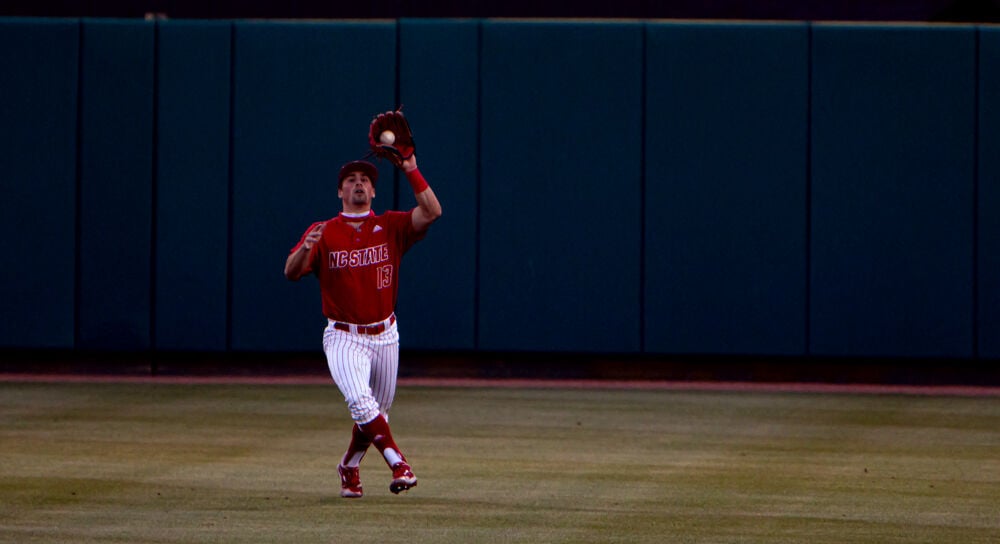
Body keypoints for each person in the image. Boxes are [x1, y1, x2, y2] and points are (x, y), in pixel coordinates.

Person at [284, 151, 442, 498]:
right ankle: (399, 463)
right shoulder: (323, 231)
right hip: (343, 336)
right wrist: (302, 250)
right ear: (340, 192)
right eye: (351, 180)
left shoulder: (391, 226)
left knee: (376, 412)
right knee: (361, 402)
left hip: (386, 334)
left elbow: (432, 212)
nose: (359, 183)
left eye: (366, 180)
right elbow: (291, 272)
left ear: (373, 193)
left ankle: (349, 466)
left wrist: (412, 169)